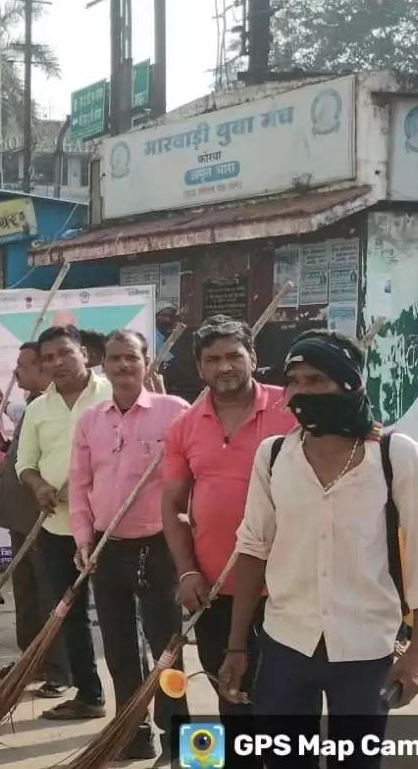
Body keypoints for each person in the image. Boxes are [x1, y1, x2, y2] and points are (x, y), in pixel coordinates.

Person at [220, 330, 418, 749]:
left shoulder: (395, 455)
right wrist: (237, 647)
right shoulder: (273, 455)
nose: (302, 392)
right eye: (295, 381)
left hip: (366, 647)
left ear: (349, 384)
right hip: (286, 641)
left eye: (317, 380)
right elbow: (252, 548)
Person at [160, 315, 294, 755]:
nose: (225, 367)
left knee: (285, 705)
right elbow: (173, 506)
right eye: (212, 359)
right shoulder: (184, 425)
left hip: (287, 590)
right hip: (215, 590)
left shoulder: (291, 409)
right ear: (199, 368)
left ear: (254, 359)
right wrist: (186, 573)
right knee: (230, 698)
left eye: (234, 356)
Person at [67, 329, 190, 758]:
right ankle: (133, 734)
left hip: (159, 546)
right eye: (115, 358)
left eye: (131, 358)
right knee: (119, 650)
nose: (122, 365)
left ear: (146, 361)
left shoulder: (174, 412)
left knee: (167, 651)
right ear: (104, 363)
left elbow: (196, 474)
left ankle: (186, 747)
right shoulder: (91, 419)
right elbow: (80, 486)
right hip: (106, 546)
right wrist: (83, 541)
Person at [17, 324, 112, 719]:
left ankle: (140, 705)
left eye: (64, 353)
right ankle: (89, 694)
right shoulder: (37, 408)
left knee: (119, 617)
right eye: (48, 358)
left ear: (85, 354)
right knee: (69, 614)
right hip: (59, 528)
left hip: (110, 528)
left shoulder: (113, 395)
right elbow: (25, 464)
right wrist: (38, 487)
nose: (56, 363)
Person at [0, 340, 69, 696]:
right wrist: (3, 448)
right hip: (19, 518)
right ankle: (29, 660)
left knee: (48, 595)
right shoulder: (34, 406)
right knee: (25, 592)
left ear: (42, 369)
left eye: (22, 366)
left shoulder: (55, 409)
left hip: (43, 520)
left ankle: (58, 669)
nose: (16, 373)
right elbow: (25, 458)